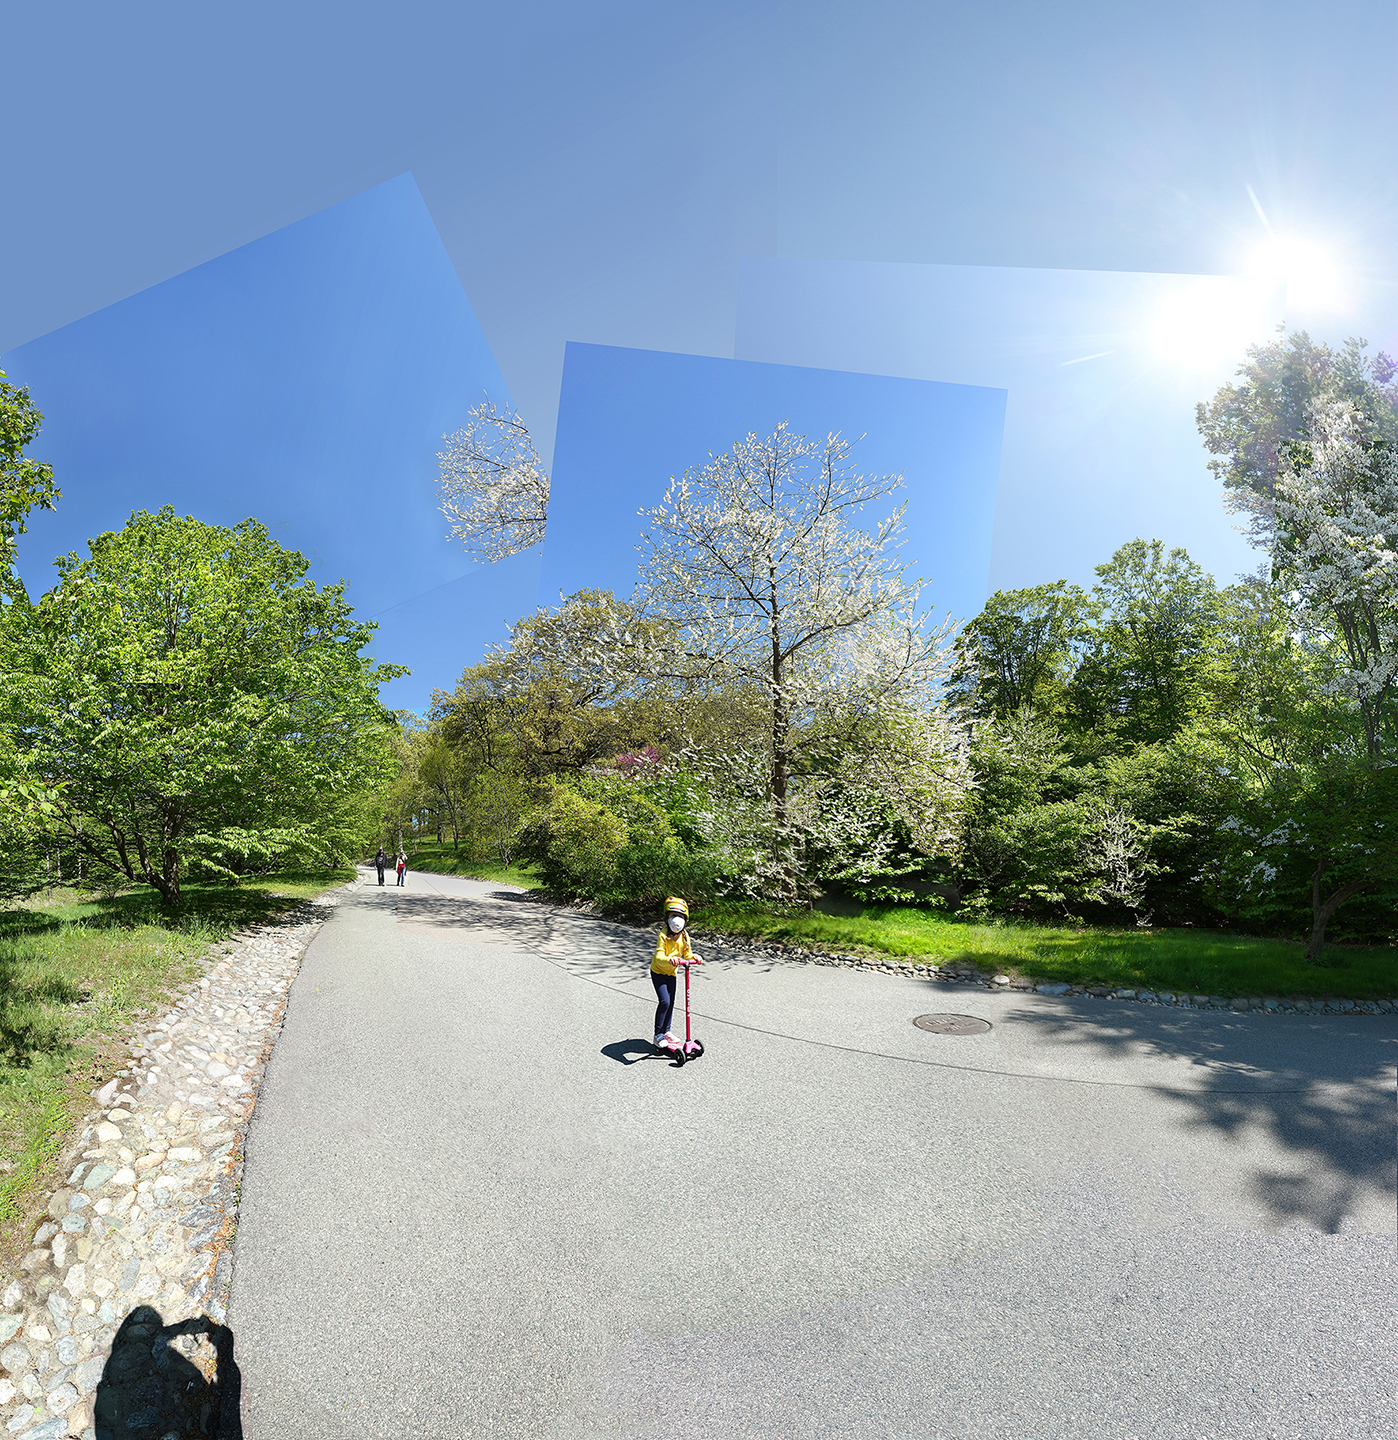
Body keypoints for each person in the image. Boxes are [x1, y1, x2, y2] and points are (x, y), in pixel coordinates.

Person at [651, 896, 701, 1052]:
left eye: (680, 917)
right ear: (667, 918)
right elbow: (659, 958)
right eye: (673, 916)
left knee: (671, 1002)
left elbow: (687, 954)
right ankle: (658, 1035)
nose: (676, 920)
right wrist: (670, 959)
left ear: (685, 921)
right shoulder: (663, 935)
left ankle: (667, 1031)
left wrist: (695, 957)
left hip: (671, 974)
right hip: (658, 972)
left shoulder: (685, 936)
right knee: (664, 1001)